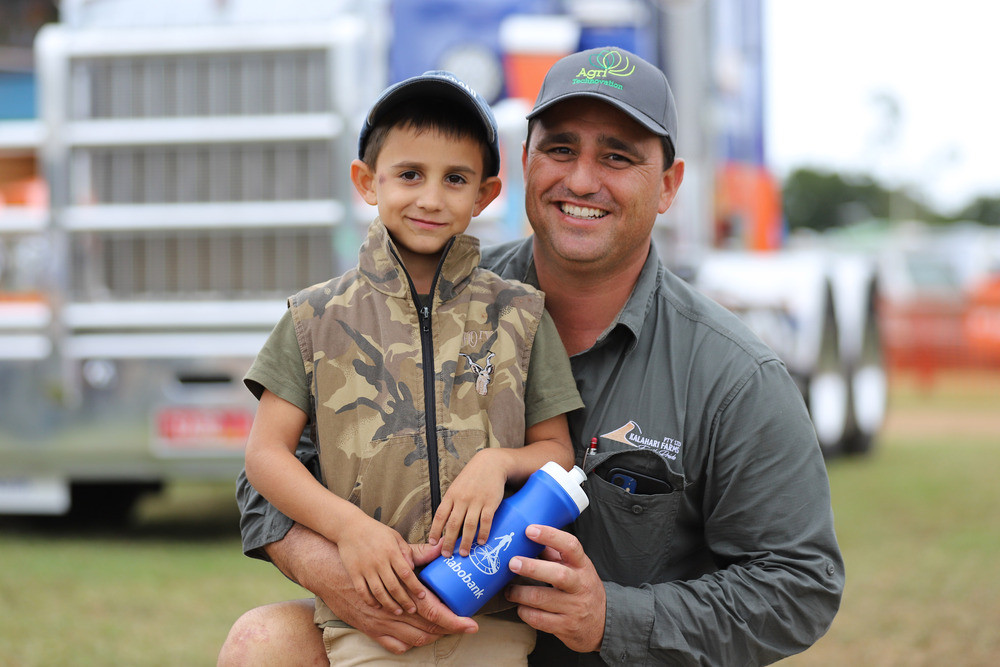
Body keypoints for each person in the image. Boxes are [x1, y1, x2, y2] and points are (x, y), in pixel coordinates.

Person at [220, 47, 844, 666]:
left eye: (618, 157)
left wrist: (610, 618)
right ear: (524, 165)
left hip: (615, 657)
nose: (580, 180)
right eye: (561, 149)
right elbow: (267, 471)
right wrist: (343, 570)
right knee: (262, 644)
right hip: (424, 639)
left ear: (669, 186)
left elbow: (800, 586)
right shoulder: (418, 302)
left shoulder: (733, 376)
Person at [239, 70, 582, 665]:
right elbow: (266, 456)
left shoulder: (521, 315)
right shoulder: (314, 317)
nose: (430, 197)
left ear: (486, 195)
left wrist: (497, 463)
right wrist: (350, 531)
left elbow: (557, 451)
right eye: (409, 174)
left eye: (455, 179)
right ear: (366, 182)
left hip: (490, 617)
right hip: (369, 617)